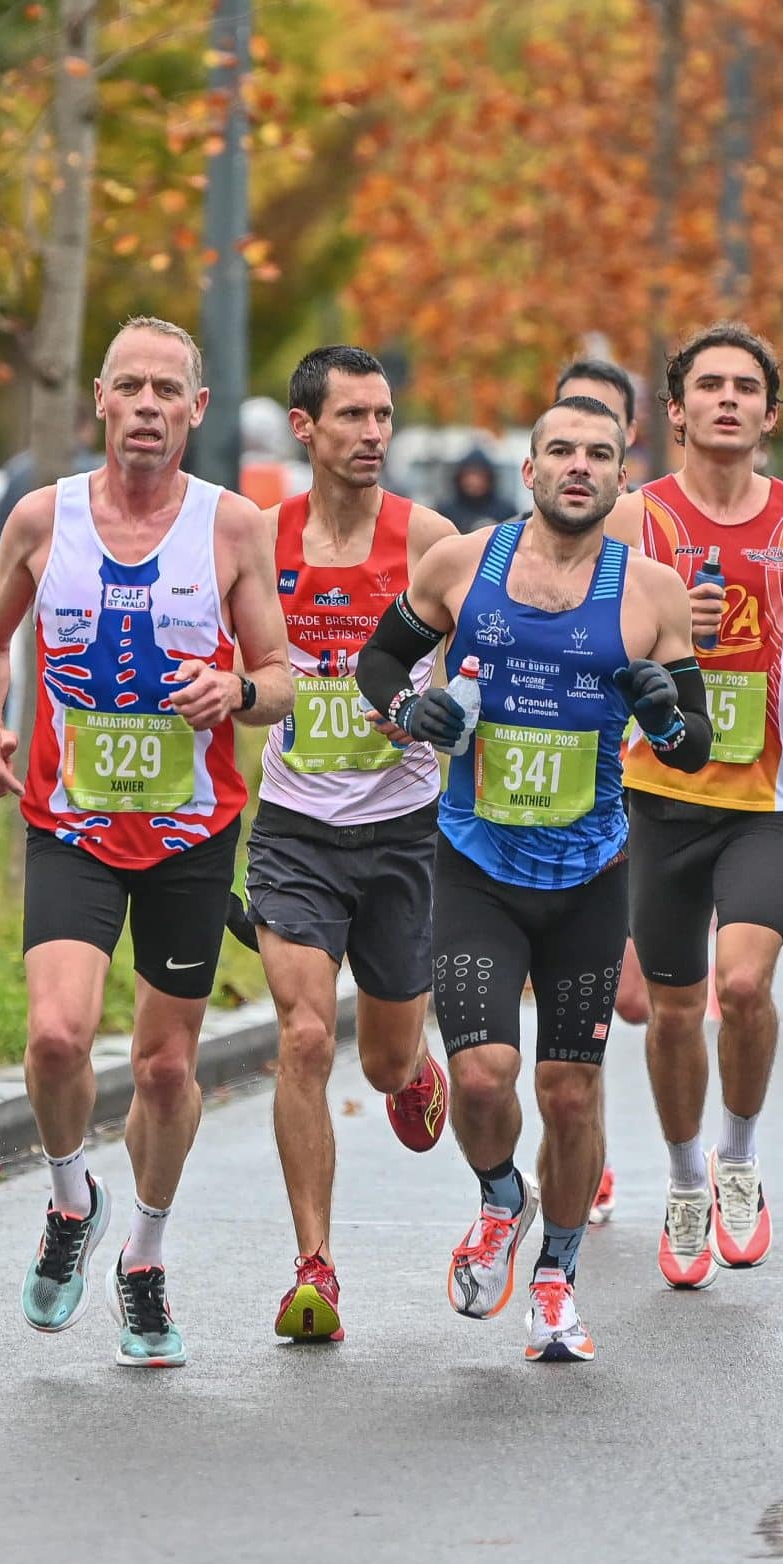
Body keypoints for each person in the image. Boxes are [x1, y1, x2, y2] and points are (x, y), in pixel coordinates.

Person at [0, 317, 294, 1370]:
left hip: (192, 832)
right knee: (58, 1036)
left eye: (169, 392)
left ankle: (142, 1261)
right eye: (131, 388)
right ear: (99, 400)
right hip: (71, 823)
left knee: (162, 1069)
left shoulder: (234, 528)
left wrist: (235, 689)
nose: (148, 407)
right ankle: (73, 1203)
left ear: (197, 411)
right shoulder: (40, 518)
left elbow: (282, 678)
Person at [355, 395, 708, 1362]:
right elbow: (380, 658)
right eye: (562, 450)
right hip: (473, 861)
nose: (580, 467)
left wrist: (665, 712)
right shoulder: (462, 566)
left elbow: (694, 747)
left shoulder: (651, 593)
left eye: (601, 453)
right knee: (481, 1078)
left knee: (567, 1092)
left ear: (623, 476)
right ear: (532, 469)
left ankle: (555, 1277)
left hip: (591, 871)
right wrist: (408, 710)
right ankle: (500, 1194)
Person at [620, 324, 783, 1287]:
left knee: (746, 986)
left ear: (771, 414)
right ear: (676, 411)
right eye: (709, 386)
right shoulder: (635, 518)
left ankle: (740, 1158)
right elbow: (593, 639)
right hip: (658, 788)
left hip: (769, 790)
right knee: (674, 1013)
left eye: (746, 388)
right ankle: (684, 1183)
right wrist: (661, 638)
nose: (728, 400)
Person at [243, 346, 457, 1343]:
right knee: (302, 1035)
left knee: (379, 1061)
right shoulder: (257, 540)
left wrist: (426, 708)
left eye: (383, 416)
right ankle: (312, 1266)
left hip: (403, 831)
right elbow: (231, 667)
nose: (374, 434)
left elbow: (472, 675)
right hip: (294, 830)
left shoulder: (429, 542)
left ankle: (414, 1067)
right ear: (304, 429)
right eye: (353, 417)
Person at [553, 356, 645, 1226]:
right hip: (556, 796)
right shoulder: (538, 532)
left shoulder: (650, 535)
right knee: (571, 992)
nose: (581, 455)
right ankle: (586, 1143)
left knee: (636, 997)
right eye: (566, 427)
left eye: (602, 428)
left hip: (643, 781)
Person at [440, 447, 518, 534]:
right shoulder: (446, 511)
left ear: (489, 479)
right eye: (469, 475)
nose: (474, 481)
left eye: (479, 476)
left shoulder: (506, 511)